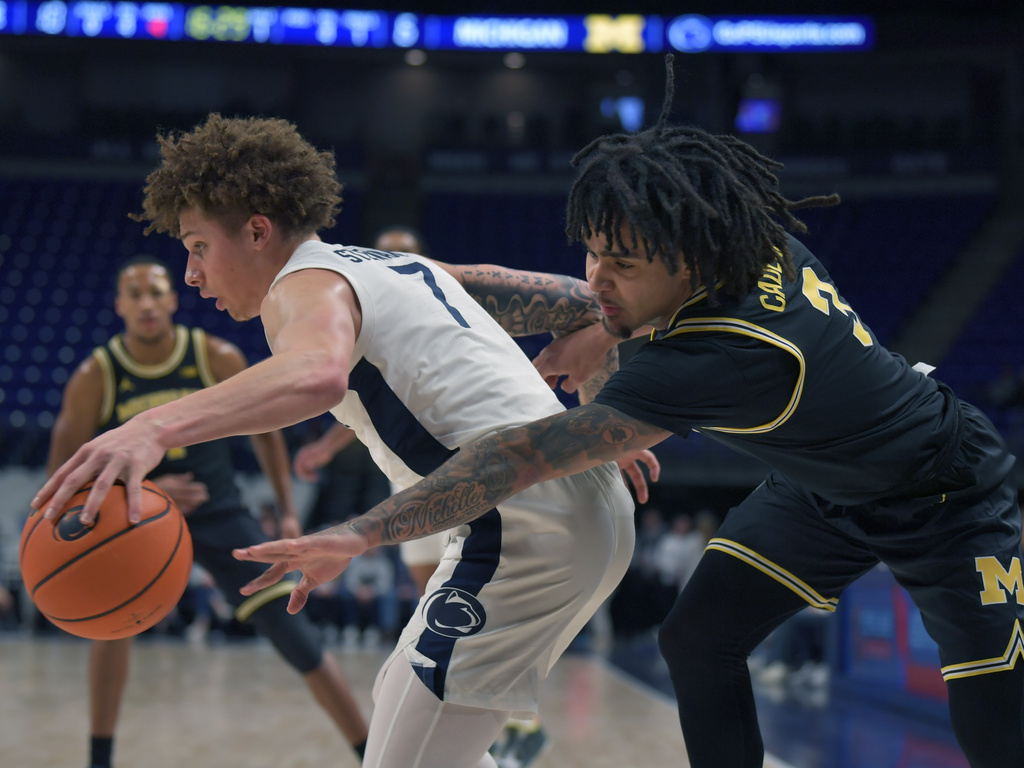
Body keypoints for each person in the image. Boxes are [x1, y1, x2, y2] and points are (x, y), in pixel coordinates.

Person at [230, 58, 1024, 768]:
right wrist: (598, 327)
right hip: (822, 487)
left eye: (624, 266)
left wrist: (360, 532)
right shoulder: (741, 237)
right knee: (698, 639)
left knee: (996, 720)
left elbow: (519, 457)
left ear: (689, 261)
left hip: (943, 491)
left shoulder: (726, 358)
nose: (597, 280)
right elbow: (584, 298)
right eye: (594, 255)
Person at [34, 114, 654, 768]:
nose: (191, 274)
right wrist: (603, 422)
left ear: (256, 231)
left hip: (529, 528)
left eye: (197, 246)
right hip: (553, 513)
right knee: (403, 715)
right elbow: (584, 303)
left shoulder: (303, 284)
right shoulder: (393, 266)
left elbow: (316, 375)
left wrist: (150, 426)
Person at [44, 255, 369, 767]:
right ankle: (99, 759)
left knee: (295, 633)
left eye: (156, 291)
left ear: (173, 300)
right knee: (111, 626)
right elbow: (62, 469)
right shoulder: (97, 375)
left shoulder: (212, 356)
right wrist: (149, 490)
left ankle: (370, 752)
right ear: (119, 306)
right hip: (134, 522)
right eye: (136, 294)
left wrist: (286, 510)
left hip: (220, 516)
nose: (148, 303)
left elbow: (268, 434)